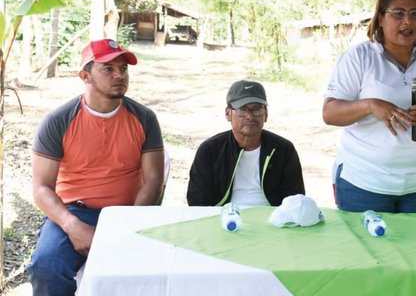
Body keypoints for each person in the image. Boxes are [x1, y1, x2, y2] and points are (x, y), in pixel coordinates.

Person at [29, 39, 165, 295]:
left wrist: (130, 224)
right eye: (108, 69)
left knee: (152, 270)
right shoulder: (58, 121)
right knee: (46, 266)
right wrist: (72, 226)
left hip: (129, 212)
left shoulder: (144, 118)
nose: (119, 75)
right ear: (85, 76)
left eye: (123, 69)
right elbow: (41, 188)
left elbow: (154, 180)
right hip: (74, 212)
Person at [323, 0, 416, 213]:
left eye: (415, 13)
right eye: (398, 13)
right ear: (380, 18)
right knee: (367, 249)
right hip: (365, 183)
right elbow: (329, 113)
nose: (407, 21)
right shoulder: (359, 57)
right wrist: (370, 105)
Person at [187, 80, 305, 206]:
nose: (250, 116)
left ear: (266, 114)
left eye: (257, 109)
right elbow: (197, 200)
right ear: (228, 114)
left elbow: (295, 199)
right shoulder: (210, 150)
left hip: (273, 218)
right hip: (223, 218)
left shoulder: (283, 149)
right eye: (242, 109)